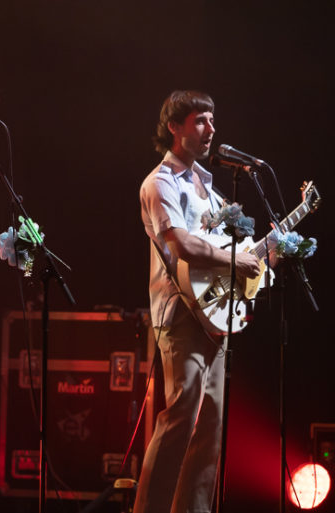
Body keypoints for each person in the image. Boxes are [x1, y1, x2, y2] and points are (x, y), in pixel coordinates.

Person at [135, 90, 261, 513]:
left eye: (212, 120)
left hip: (213, 313)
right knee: (180, 416)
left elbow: (224, 250)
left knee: (211, 425)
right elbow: (183, 245)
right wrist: (236, 260)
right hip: (179, 315)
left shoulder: (208, 187)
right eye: (200, 121)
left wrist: (266, 254)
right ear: (174, 126)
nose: (211, 129)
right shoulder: (160, 183)